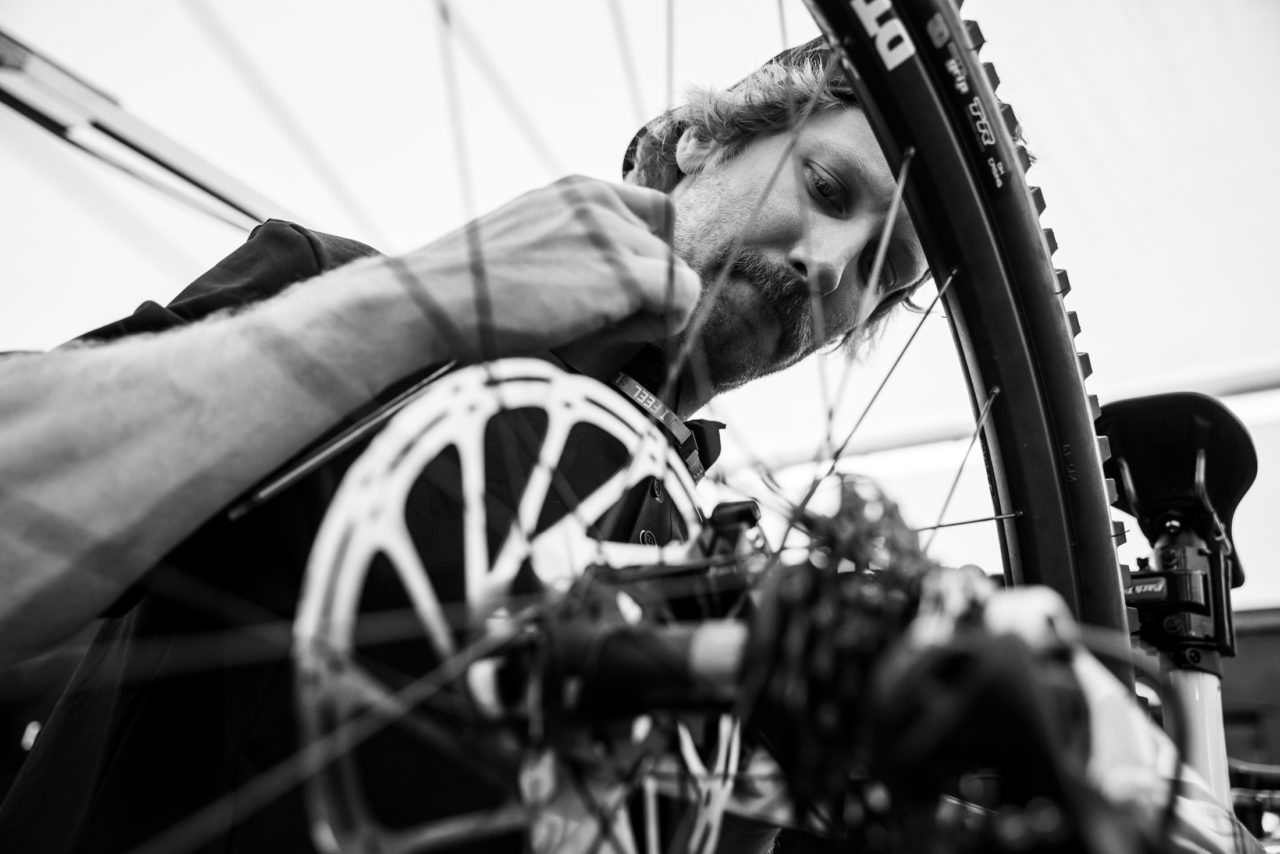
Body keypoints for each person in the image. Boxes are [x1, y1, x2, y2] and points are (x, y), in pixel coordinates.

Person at [0, 38, 927, 852]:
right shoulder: (330, 288)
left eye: (880, 274)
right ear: (706, 141)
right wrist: (423, 301)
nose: (833, 265)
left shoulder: (715, 594)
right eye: (825, 187)